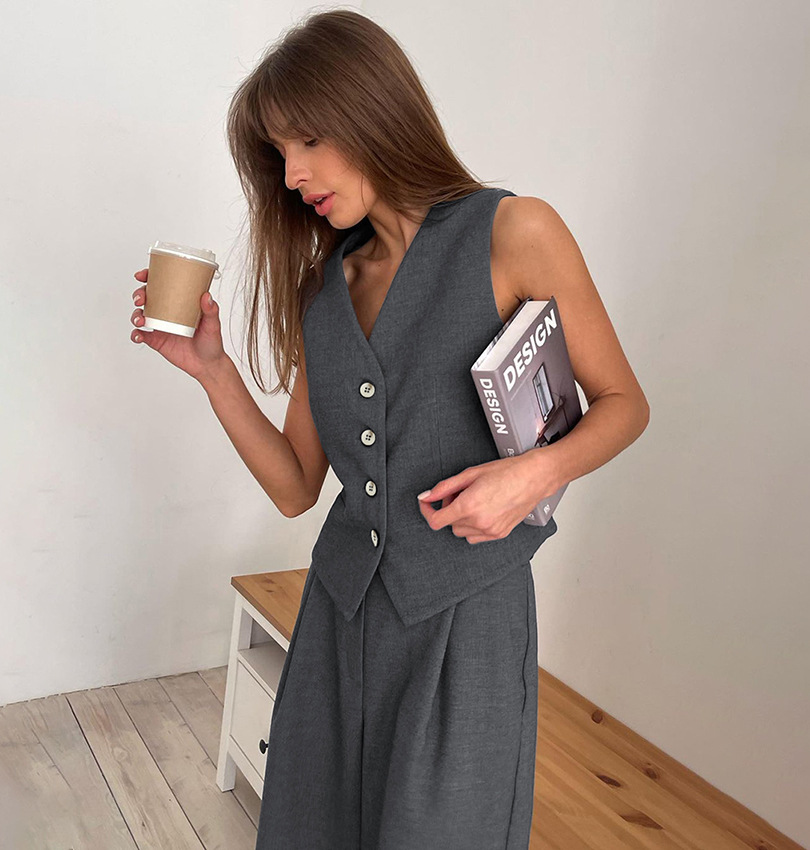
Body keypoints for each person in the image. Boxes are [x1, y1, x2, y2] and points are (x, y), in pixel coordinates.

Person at [129, 9, 649, 848]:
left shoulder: (514, 232)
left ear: (372, 107)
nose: (293, 174)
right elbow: (297, 487)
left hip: (466, 627)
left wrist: (534, 474)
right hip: (338, 622)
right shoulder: (322, 288)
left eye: (308, 140)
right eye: (279, 154)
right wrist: (213, 372)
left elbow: (624, 402)